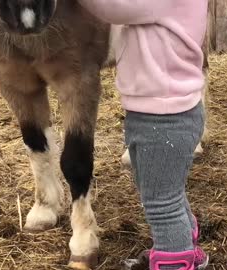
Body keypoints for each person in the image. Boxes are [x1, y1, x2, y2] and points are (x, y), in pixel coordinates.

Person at [76, 1, 209, 269]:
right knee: (162, 191)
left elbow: (111, 8)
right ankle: (184, 250)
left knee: (162, 204)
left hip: (165, 117)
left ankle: (175, 258)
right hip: (152, 111)